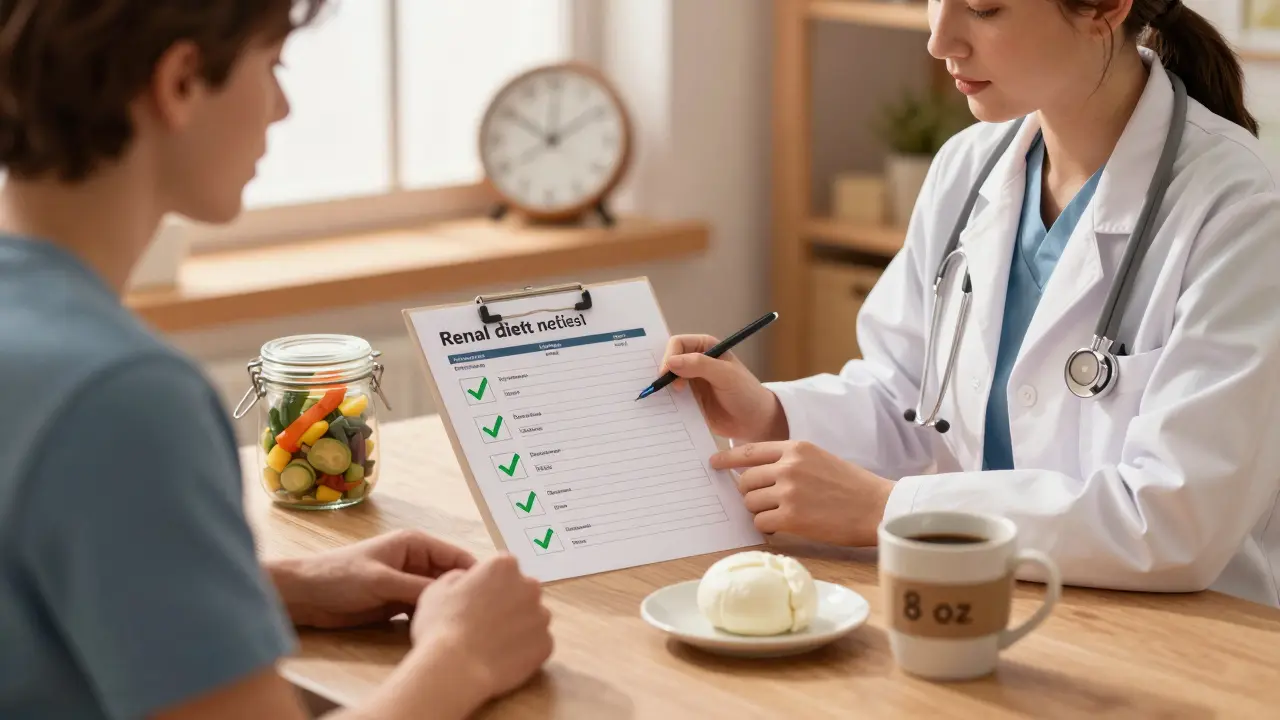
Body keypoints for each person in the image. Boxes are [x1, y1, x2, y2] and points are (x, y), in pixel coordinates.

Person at [0, 2, 552, 719]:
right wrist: (462, 655)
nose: (284, 106)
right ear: (181, 82)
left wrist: (279, 588)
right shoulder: (120, 398)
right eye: (273, 66)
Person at [662, 0, 1280, 608]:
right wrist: (770, 414)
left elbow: (1175, 520)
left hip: (1184, 644)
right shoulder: (968, 165)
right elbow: (910, 399)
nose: (939, 41)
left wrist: (889, 509)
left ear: (1104, 9)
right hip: (985, 607)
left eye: (984, 9)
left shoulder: (1236, 209)